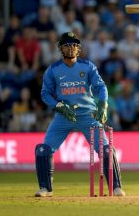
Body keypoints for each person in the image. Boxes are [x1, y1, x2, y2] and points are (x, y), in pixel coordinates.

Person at [34, 32, 125, 197]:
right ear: (60, 48)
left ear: (79, 48)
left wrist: (103, 106)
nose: (71, 48)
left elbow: (101, 87)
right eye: (67, 45)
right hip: (64, 115)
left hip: (87, 115)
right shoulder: (53, 69)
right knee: (43, 150)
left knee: (106, 150)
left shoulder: (87, 66)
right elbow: (45, 94)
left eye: (74, 45)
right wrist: (58, 106)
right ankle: (45, 189)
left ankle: (116, 187)